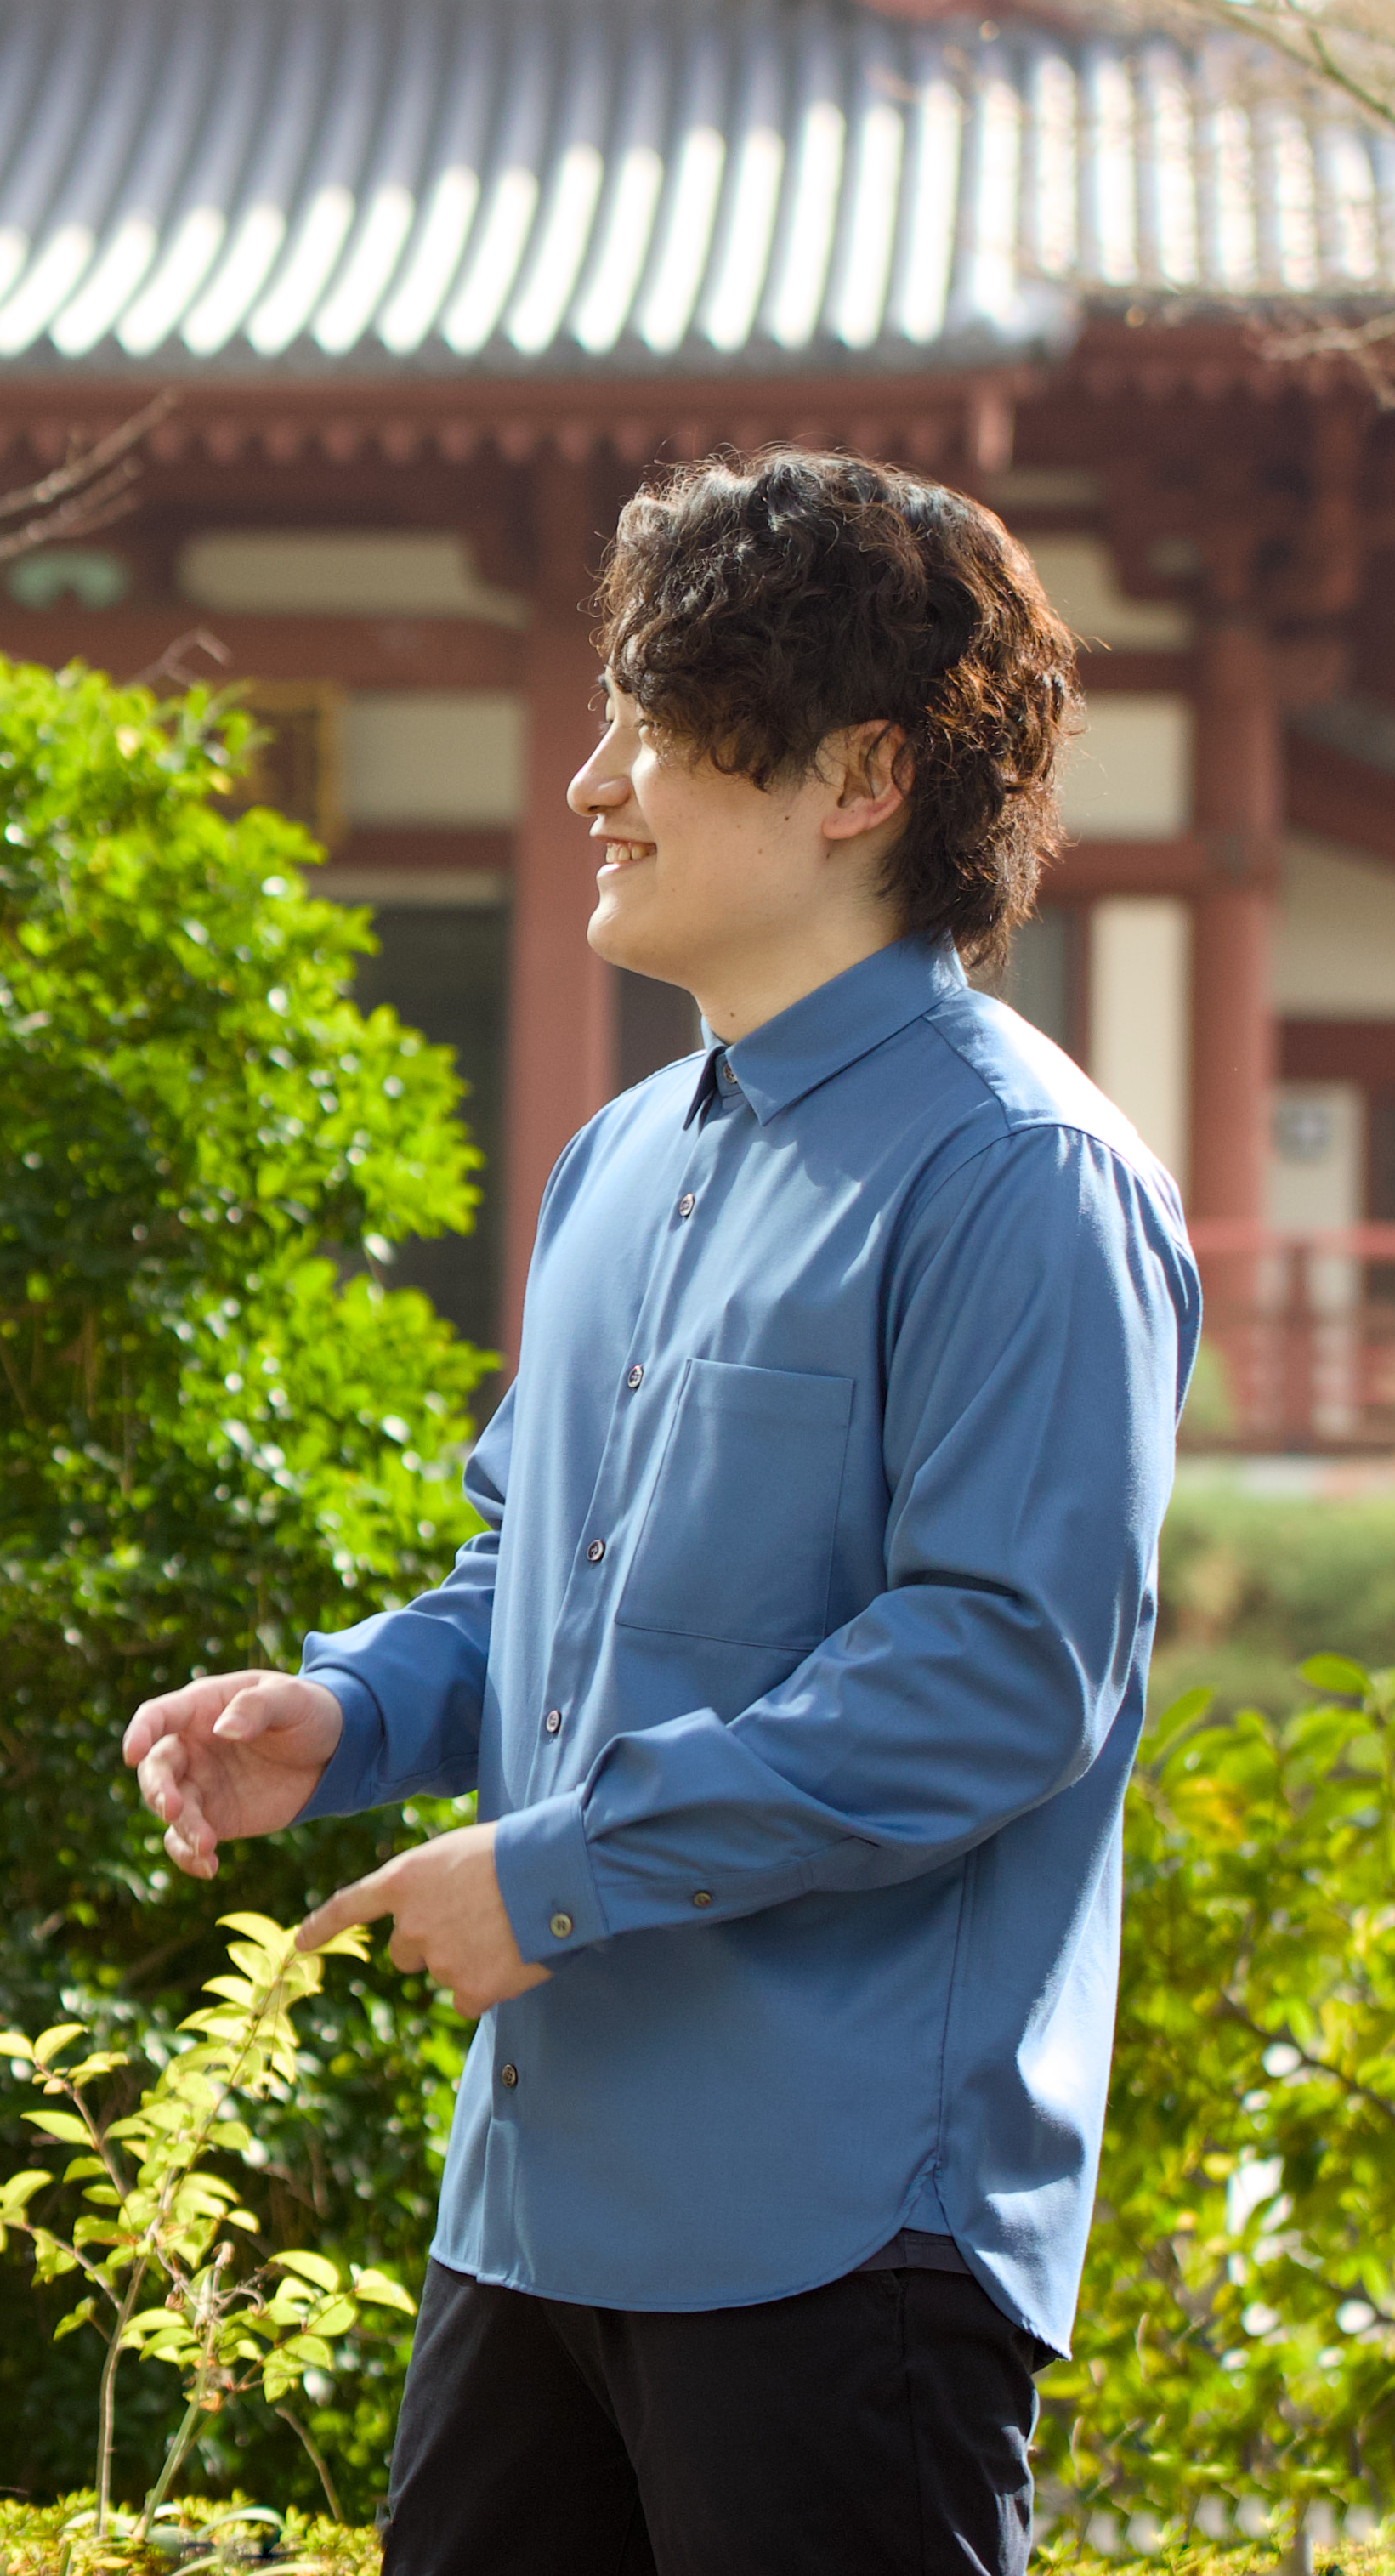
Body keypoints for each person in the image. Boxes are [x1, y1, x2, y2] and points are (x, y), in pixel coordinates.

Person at [119, 448, 1196, 2576]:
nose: (585, 783)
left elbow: (999, 1668)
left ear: (856, 774)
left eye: (650, 724)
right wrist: (349, 1714)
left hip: (842, 2216)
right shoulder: (616, 1156)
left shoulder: (1020, 1178)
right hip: (538, 2193)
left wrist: (563, 1862)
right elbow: (528, 1567)